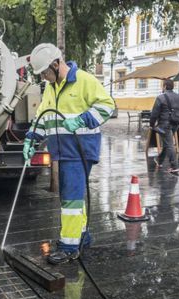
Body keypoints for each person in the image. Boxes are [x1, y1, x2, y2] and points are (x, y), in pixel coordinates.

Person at [24, 43, 115, 264]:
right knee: (72, 198)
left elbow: (107, 105)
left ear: (56, 64)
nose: (44, 77)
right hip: (63, 151)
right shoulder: (52, 88)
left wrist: (82, 119)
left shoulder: (83, 80)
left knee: (71, 201)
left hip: (80, 150)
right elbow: (43, 116)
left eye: (45, 72)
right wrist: (31, 138)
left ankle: (69, 247)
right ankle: (82, 237)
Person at [150, 79, 179, 174]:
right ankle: (159, 160)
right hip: (175, 123)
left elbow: (154, 113)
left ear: (165, 86)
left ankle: (174, 166)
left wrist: (151, 124)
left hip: (164, 125)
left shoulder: (160, 98)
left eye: (162, 86)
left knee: (169, 144)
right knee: (168, 143)